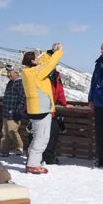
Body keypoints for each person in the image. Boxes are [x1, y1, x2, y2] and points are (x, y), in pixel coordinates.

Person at [21, 42, 64, 175]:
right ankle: (33, 164)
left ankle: (33, 161)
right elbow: (50, 65)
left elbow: (43, 62)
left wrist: (50, 52)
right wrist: (58, 52)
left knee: (35, 136)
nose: (39, 58)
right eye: (36, 58)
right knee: (42, 138)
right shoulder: (37, 72)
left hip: (33, 109)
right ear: (33, 61)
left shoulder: (27, 72)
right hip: (42, 108)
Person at [41, 68, 68, 166]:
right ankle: (38, 157)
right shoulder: (41, 73)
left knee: (52, 133)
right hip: (41, 109)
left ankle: (48, 157)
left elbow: (59, 91)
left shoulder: (56, 76)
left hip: (51, 110)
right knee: (40, 134)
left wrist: (63, 102)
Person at [0, 66, 25, 157]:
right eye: (8, 72)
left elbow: (22, 98)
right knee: (5, 132)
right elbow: (9, 96)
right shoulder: (10, 83)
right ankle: (3, 150)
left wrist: (19, 109)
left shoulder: (21, 83)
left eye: (10, 72)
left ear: (16, 73)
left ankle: (19, 147)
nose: (8, 74)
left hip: (14, 112)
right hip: (6, 110)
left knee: (12, 130)